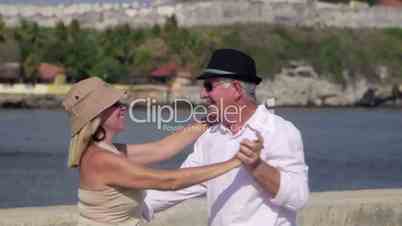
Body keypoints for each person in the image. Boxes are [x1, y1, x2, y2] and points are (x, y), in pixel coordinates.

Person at [62, 77, 263, 226]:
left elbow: (163, 148)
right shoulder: (100, 160)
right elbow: (170, 181)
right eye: (115, 105)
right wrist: (235, 161)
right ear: (97, 115)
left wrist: (209, 119)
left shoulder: (107, 151)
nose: (124, 108)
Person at [143, 49, 310, 226]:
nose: (202, 94)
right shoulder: (211, 136)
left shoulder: (278, 130)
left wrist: (257, 167)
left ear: (237, 89)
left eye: (209, 87)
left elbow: (298, 198)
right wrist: (128, 208)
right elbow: (182, 182)